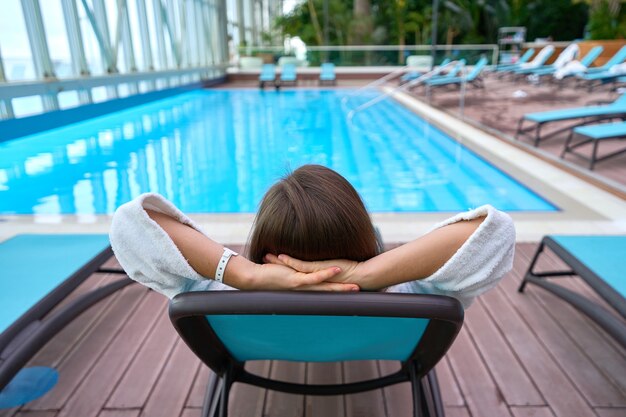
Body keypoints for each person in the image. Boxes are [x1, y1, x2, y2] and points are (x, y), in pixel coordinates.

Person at [109, 164, 515, 309]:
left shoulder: (216, 295)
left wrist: (245, 277)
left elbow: (129, 224)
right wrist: (366, 274)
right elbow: (496, 233)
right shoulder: (411, 296)